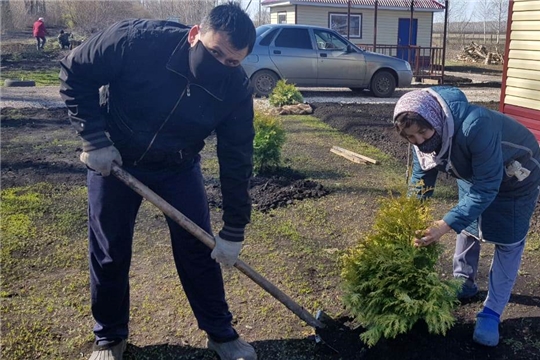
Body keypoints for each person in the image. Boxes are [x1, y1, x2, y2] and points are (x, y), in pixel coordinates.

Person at [59, 2, 257, 360]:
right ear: (195, 34)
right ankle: (109, 336)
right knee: (109, 251)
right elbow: (75, 71)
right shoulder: (136, 41)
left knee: (199, 250)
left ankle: (220, 333)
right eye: (215, 53)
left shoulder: (235, 90)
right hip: (115, 160)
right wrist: (94, 139)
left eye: (232, 61)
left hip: (177, 166)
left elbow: (237, 159)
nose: (222, 65)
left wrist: (234, 229)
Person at [392, 87, 540, 347]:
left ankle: (492, 312)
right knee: (468, 225)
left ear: (435, 121)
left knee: (508, 241)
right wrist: (410, 219)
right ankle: (464, 280)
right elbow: (420, 180)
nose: (419, 141)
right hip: (475, 174)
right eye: (411, 137)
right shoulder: (424, 142)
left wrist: (443, 225)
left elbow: (486, 188)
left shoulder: (476, 126)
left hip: (517, 175)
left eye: (423, 132)